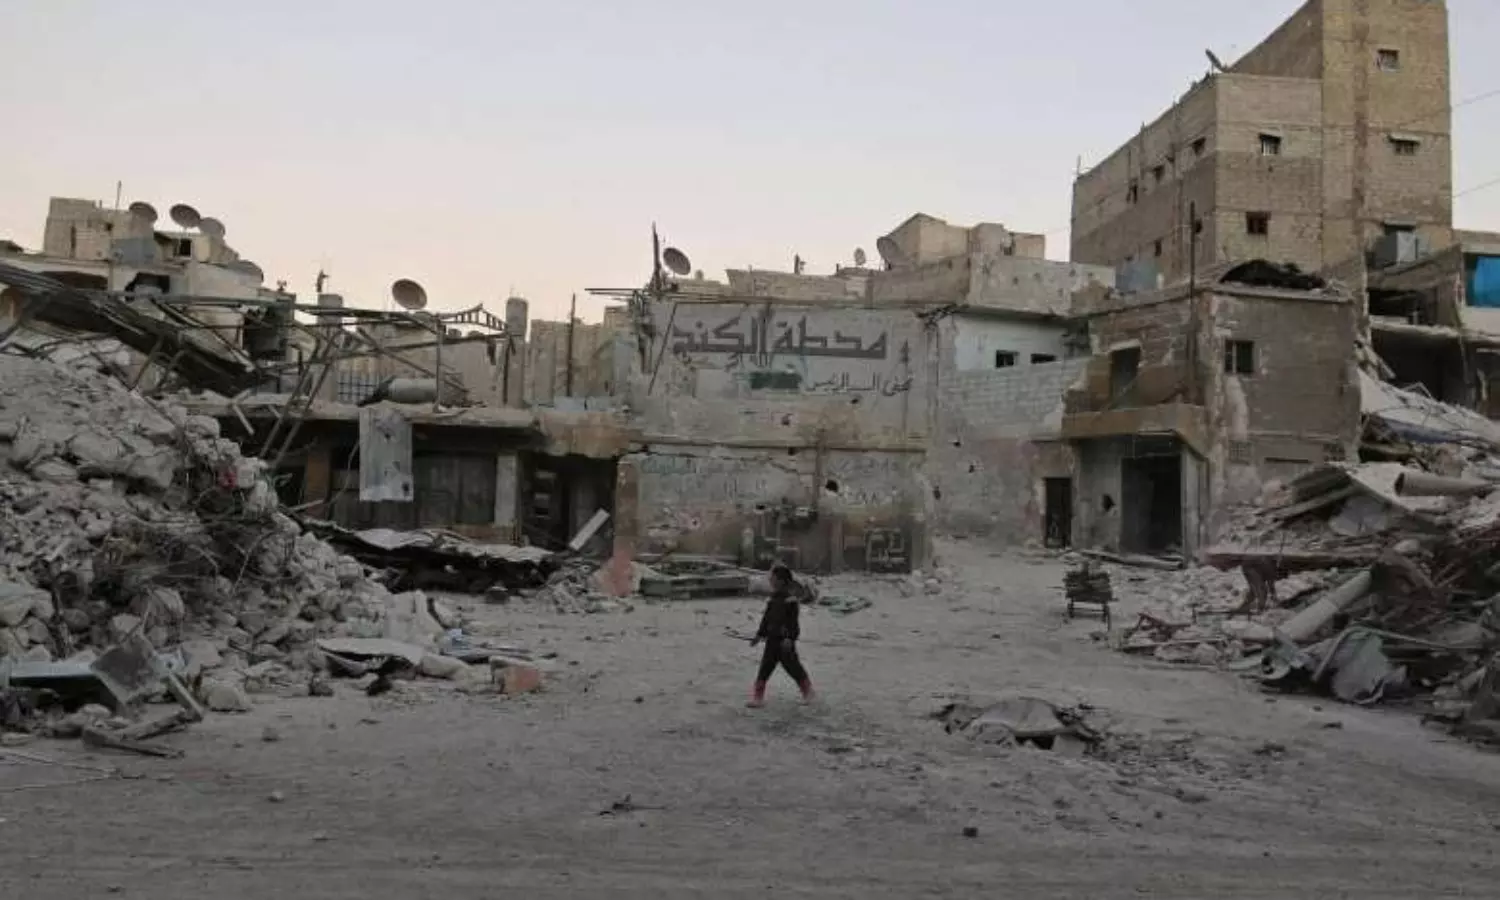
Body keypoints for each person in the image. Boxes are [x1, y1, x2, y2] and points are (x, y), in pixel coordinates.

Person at [748, 563, 815, 707]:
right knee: (765, 668)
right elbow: (766, 619)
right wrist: (759, 635)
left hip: (785, 642)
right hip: (771, 641)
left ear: (781, 580)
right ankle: (758, 698)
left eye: (772, 578)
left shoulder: (790, 600)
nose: (770, 580)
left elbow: (793, 623)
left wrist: (790, 638)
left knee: (793, 667)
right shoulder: (772, 599)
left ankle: (808, 691)